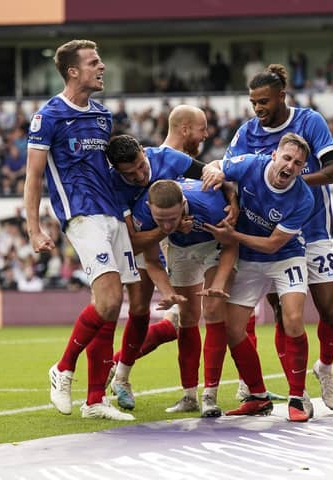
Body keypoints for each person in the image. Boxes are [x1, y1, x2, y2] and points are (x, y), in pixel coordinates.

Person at [23, 39, 139, 421]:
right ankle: (62, 368)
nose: (101, 67)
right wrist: (34, 228)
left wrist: (126, 215)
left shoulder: (103, 116)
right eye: (93, 62)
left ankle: (94, 401)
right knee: (106, 300)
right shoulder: (49, 116)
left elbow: (109, 172)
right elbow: (34, 176)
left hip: (112, 215)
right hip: (81, 215)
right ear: (73, 71)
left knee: (113, 307)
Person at [223, 63, 333, 411]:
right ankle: (298, 388)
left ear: (281, 96)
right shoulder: (246, 132)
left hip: (313, 228)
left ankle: (325, 367)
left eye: (264, 101)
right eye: (253, 102)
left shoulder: (310, 122)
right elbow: (229, 174)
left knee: (331, 311)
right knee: (284, 312)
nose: (258, 108)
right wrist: (233, 201)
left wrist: (290, 185)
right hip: (272, 235)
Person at [104, 123, 229, 413]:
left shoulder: (172, 159)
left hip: (184, 237)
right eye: (201, 129)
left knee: (202, 316)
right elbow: (133, 245)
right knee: (140, 309)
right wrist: (165, 230)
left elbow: (221, 177)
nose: (138, 176)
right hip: (149, 237)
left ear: (144, 153)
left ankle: (244, 387)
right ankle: (120, 374)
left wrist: (230, 196)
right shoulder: (120, 187)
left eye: (140, 167)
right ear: (186, 130)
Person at [202, 132, 315, 422]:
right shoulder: (251, 165)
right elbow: (214, 166)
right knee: (232, 329)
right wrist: (222, 185)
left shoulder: (303, 197)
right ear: (275, 156)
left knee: (292, 319)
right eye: (287, 158)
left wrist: (232, 235)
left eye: (298, 163)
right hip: (250, 260)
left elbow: (274, 244)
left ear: (303, 168)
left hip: (285, 257)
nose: (290, 166)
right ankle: (257, 396)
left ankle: (297, 397)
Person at [130, 178, 237, 417]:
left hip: (213, 243)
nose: (167, 225)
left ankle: (210, 395)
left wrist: (218, 283)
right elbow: (151, 261)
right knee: (187, 316)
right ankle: (189, 396)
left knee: (212, 310)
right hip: (179, 249)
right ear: (149, 207)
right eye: (161, 220)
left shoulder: (210, 206)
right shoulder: (144, 214)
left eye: (172, 218)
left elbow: (231, 244)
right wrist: (168, 292)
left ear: (184, 203)